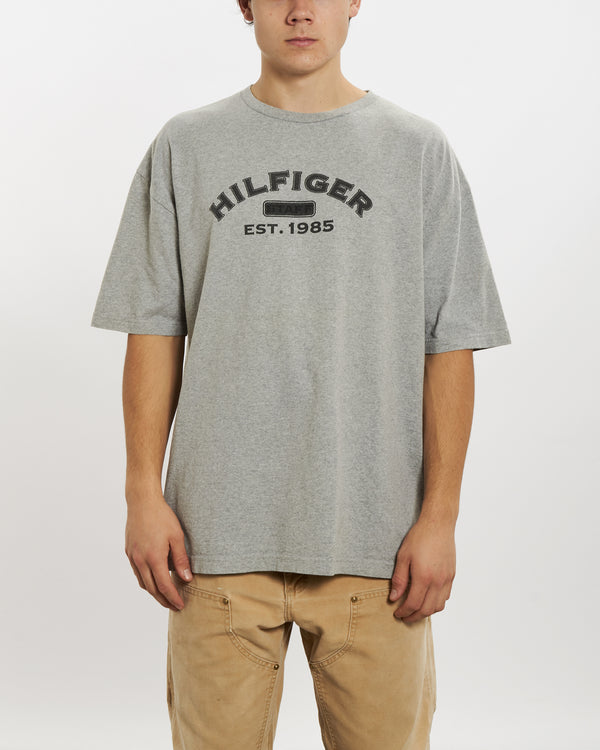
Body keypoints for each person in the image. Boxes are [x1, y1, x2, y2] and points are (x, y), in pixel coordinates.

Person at [90, 1, 511, 747]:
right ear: (245, 5)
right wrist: (140, 494)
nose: (300, 10)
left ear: (355, 2)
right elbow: (153, 328)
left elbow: (450, 342)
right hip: (212, 544)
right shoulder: (186, 145)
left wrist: (440, 518)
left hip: (377, 546)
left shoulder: (416, 150)